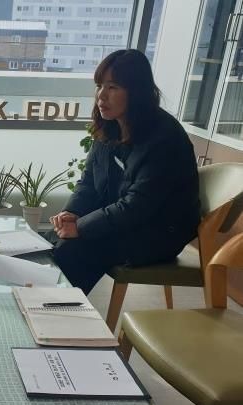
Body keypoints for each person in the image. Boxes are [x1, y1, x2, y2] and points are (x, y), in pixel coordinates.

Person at [51, 49, 200, 294]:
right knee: (50, 240)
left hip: (158, 232)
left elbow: (138, 205)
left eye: (112, 87)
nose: (101, 96)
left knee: (72, 251)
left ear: (137, 91)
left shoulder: (165, 139)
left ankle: (59, 311)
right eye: (99, 86)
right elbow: (89, 181)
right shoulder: (109, 126)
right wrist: (72, 213)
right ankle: (43, 306)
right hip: (124, 222)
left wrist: (82, 227)